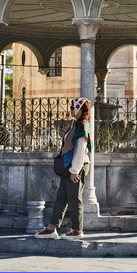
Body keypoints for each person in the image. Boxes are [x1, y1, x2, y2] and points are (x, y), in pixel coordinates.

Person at [35, 97, 92, 240]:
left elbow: (80, 150)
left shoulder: (82, 126)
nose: (71, 110)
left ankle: (77, 230)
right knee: (61, 197)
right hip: (70, 166)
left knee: (74, 199)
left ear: (79, 109)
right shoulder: (74, 124)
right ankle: (51, 228)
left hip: (76, 167)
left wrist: (74, 171)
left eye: (73, 108)